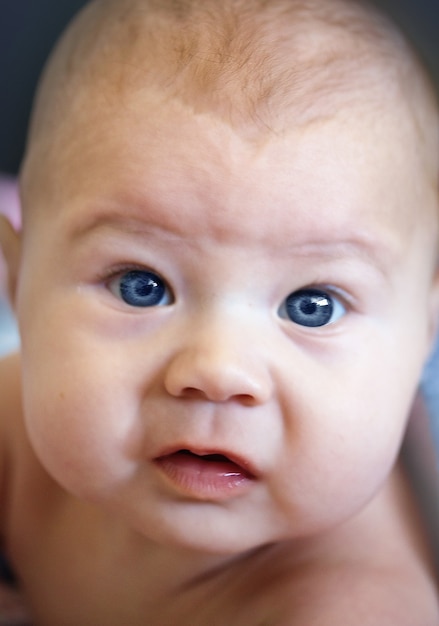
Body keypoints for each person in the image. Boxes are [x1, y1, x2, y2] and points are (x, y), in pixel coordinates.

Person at [0, 0, 438, 623]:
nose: (218, 372)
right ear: (18, 281)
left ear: (425, 330)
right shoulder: (18, 428)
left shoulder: (351, 607)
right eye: (140, 286)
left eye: (311, 308)